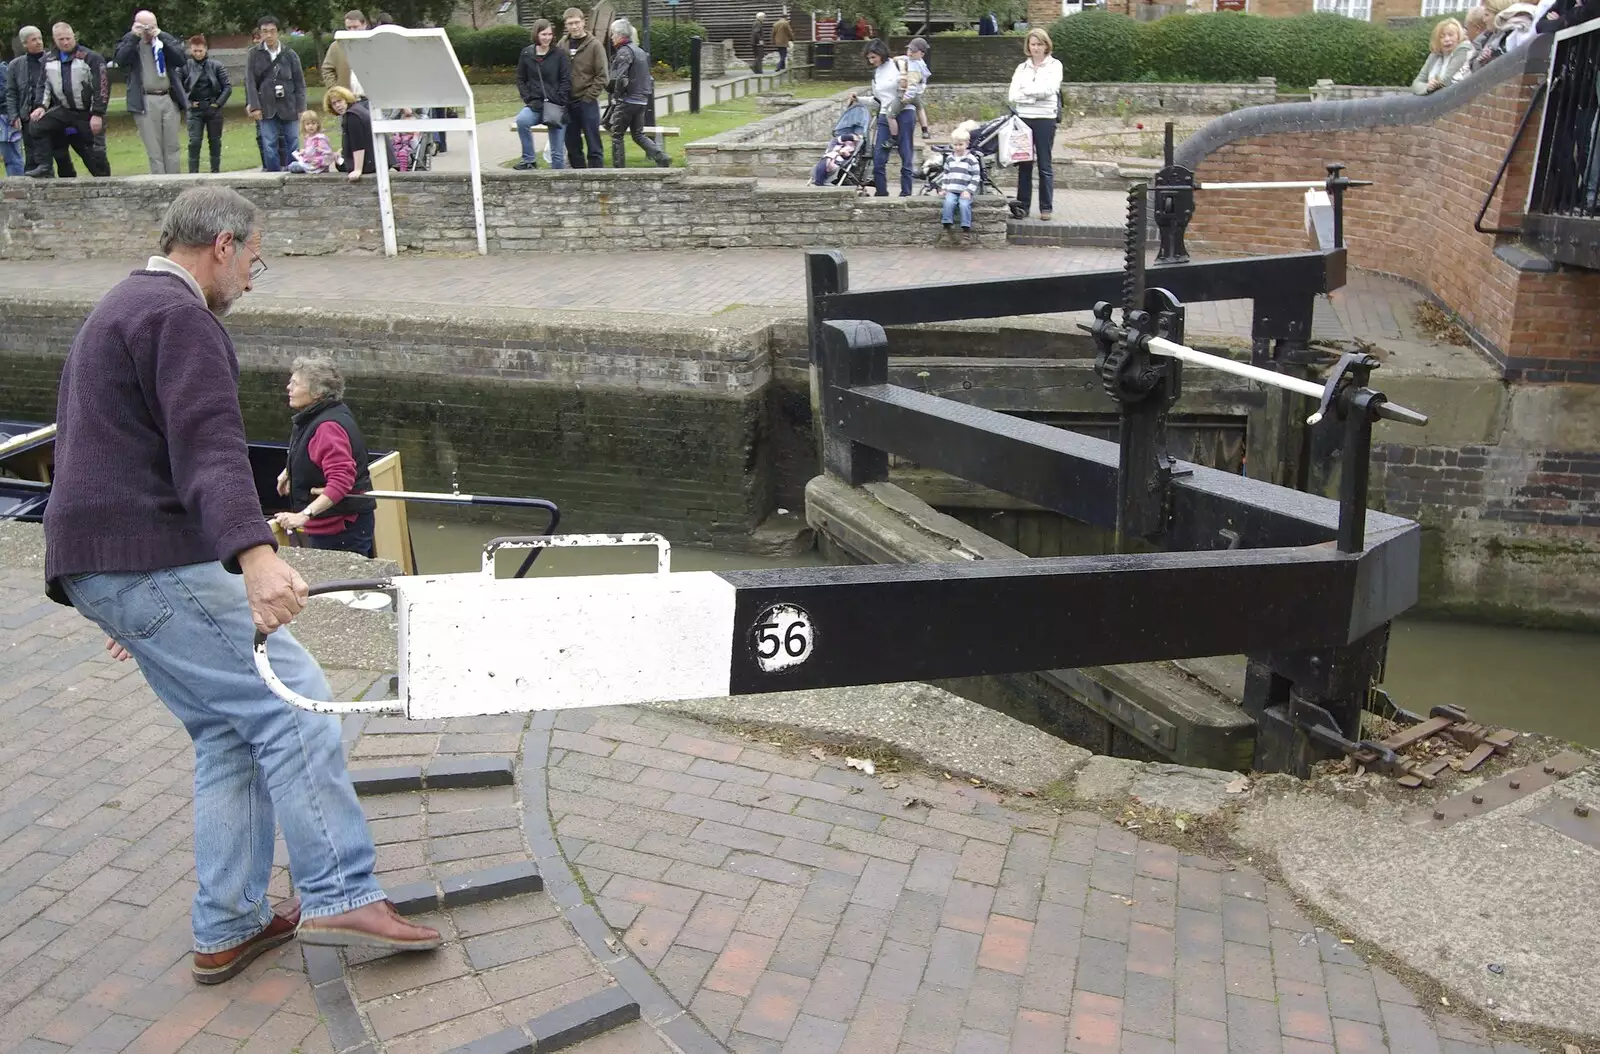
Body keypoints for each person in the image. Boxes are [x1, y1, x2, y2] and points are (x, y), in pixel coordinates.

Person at [45, 186, 443, 985]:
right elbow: (210, 451)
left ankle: (229, 924)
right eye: (255, 260)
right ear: (222, 245)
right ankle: (338, 891)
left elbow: (99, 453)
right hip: (142, 563)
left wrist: (123, 595)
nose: (254, 280)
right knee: (292, 701)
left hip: (106, 561)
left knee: (230, 732)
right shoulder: (183, 318)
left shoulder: (120, 305)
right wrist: (255, 555)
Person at [272, 359, 379, 557]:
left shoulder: (327, 427)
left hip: (341, 531)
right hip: (333, 527)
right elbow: (313, 454)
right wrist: (289, 471)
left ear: (317, 393)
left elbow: (341, 480)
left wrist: (303, 516)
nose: (288, 387)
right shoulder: (323, 414)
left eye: (295, 383)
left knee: (340, 586)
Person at [26, 23, 110, 179]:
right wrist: (41, 106)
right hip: (64, 110)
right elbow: (44, 85)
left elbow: (102, 87)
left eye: (68, 38)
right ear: (54, 40)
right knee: (37, 125)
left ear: (74, 37)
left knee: (93, 154)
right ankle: (44, 165)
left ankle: (106, 181)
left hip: (87, 112)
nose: (65, 42)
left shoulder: (91, 58)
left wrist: (97, 113)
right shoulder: (49, 59)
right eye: (61, 39)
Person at [116, 10, 189, 175]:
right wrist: (134, 36)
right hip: (145, 100)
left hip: (168, 98)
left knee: (172, 147)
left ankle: (174, 182)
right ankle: (159, 184)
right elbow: (120, 60)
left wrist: (161, 35)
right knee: (154, 150)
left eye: (152, 26)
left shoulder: (163, 42)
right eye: (144, 26)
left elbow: (181, 59)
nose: (148, 31)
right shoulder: (131, 44)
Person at [1008, 27, 1062, 221]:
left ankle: (1046, 207)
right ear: (1028, 46)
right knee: (1024, 163)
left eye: (1040, 44)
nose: (1036, 48)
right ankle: (1023, 206)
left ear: (1046, 45)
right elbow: (1013, 95)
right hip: (1024, 118)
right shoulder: (1021, 68)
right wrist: (1033, 94)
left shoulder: (1055, 66)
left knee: (1045, 165)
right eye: (1033, 44)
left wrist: (1028, 92)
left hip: (1045, 119)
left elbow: (1050, 89)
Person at [246, 15, 307, 172]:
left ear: (278, 33)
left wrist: (302, 108)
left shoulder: (290, 54)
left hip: (289, 105)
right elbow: (250, 82)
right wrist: (254, 106)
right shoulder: (254, 54)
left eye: (272, 31)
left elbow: (299, 83)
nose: (269, 35)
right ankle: (272, 174)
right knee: (269, 143)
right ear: (260, 33)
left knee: (293, 141)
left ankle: (293, 171)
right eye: (265, 32)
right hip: (266, 106)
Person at [607, 19, 671, 168]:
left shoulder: (624, 52)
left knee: (617, 135)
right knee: (638, 134)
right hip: (641, 100)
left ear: (619, 34)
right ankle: (661, 156)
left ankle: (619, 170)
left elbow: (621, 78)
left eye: (612, 34)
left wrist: (616, 98)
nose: (611, 37)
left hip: (627, 100)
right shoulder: (639, 51)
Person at [515, 18, 571, 170]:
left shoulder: (559, 55)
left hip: (556, 106)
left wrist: (559, 99)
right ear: (536, 34)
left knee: (557, 153)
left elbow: (566, 79)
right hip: (536, 104)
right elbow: (520, 78)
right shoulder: (527, 53)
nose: (547, 38)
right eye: (543, 34)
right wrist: (527, 97)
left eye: (549, 34)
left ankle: (558, 181)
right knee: (522, 121)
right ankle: (529, 160)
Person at [862, 39, 913, 197]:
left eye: (873, 57)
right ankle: (881, 192)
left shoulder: (899, 65)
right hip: (885, 115)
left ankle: (906, 192)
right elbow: (877, 100)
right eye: (869, 58)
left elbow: (914, 85)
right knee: (879, 157)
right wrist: (858, 99)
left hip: (904, 112)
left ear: (881, 54)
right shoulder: (876, 74)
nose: (871, 61)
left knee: (906, 154)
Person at [560, 8, 607, 168]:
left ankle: (597, 180)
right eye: (570, 23)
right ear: (566, 25)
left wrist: (589, 97)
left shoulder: (595, 46)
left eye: (576, 22)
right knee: (572, 145)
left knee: (593, 144)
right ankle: (579, 179)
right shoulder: (562, 45)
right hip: (567, 102)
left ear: (583, 22)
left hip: (587, 101)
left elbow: (602, 76)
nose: (574, 27)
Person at [182, 35, 230, 174]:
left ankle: (215, 171)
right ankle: (193, 173)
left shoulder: (216, 66)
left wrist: (217, 104)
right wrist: (188, 103)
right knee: (194, 142)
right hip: (195, 109)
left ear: (206, 50)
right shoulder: (185, 66)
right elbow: (177, 87)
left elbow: (227, 87)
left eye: (200, 51)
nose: (197, 54)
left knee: (215, 141)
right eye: (195, 51)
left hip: (212, 108)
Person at [6, 27, 47, 174]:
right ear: (25, 44)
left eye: (40, 38)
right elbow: (11, 93)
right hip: (27, 115)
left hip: (49, 113)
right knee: (31, 155)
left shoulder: (51, 60)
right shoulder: (15, 65)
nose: (38, 42)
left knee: (52, 153)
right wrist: (14, 116)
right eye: (34, 40)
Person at [939, 125, 980, 245]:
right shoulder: (950, 159)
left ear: (967, 144)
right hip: (952, 189)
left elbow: (976, 176)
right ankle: (946, 229)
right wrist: (944, 188)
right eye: (955, 145)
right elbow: (946, 174)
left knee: (963, 205)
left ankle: (966, 231)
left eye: (960, 145)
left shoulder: (971, 159)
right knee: (948, 203)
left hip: (965, 190)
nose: (957, 147)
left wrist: (969, 190)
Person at [324, 86, 374, 181]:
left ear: (346, 100)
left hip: (370, 162)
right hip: (372, 158)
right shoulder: (357, 109)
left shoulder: (352, 115)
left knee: (341, 165)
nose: (338, 105)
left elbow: (358, 144)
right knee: (339, 163)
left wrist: (357, 170)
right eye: (334, 104)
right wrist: (342, 151)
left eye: (340, 101)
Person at [885, 37, 928, 146]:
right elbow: (905, 58)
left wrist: (906, 98)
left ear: (921, 54)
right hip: (917, 94)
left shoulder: (914, 67)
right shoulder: (918, 61)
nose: (910, 53)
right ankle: (925, 130)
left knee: (890, 115)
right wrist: (896, 58)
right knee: (920, 108)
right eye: (909, 50)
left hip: (906, 94)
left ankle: (894, 137)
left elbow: (912, 85)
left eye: (913, 51)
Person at [1412, 18, 1473, 94]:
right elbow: (1416, 84)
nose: (1446, 39)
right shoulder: (1434, 56)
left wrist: (1434, 85)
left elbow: (1446, 81)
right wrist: (1427, 87)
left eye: (1450, 35)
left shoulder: (1463, 50)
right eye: (1442, 36)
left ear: (1458, 36)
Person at [320, 9, 368, 94]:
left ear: (364, 25)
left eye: (355, 27)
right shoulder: (337, 46)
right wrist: (336, 91)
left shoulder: (373, 44)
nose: (352, 31)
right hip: (347, 99)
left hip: (370, 99)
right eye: (349, 28)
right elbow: (327, 69)